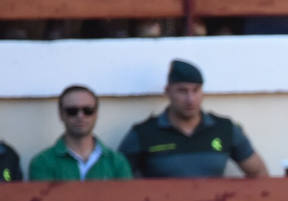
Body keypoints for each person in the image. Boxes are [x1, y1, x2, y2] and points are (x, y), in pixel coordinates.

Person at [119, 59, 268, 178]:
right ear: (167, 91)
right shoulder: (144, 133)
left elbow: (259, 173)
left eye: (196, 90)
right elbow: (118, 183)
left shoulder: (224, 129)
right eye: (182, 91)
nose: (190, 99)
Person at [28, 85, 133, 181]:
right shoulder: (42, 162)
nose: (80, 116)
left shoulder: (117, 162)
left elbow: (126, 200)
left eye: (88, 110)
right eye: (72, 111)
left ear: (96, 114)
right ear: (61, 114)